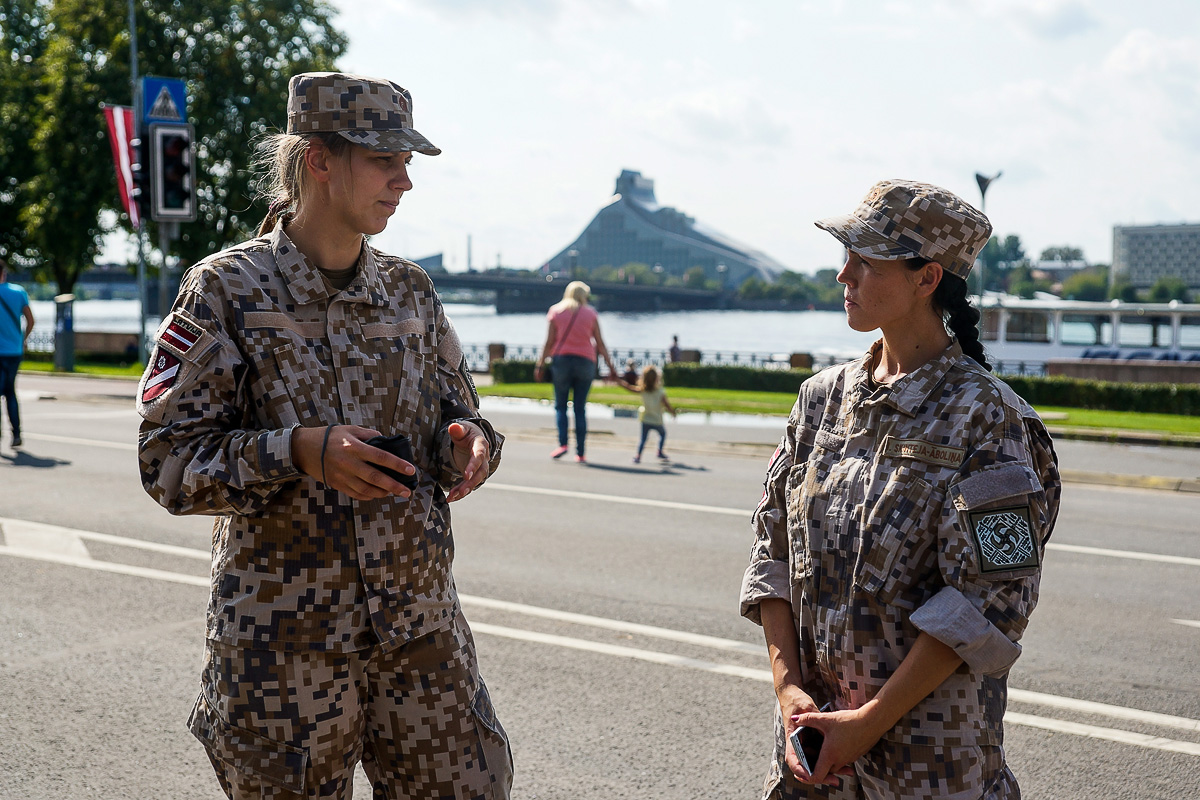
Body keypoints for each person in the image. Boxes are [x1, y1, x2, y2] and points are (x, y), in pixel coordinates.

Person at [135, 72, 513, 800]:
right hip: (285, 652)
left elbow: (459, 415)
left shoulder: (410, 293)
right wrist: (301, 451)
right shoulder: (226, 290)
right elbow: (168, 462)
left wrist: (470, 441)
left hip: (420, 635)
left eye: (408, 164)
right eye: (385, 161)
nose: (405, 182)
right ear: (319, 160)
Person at [740, 179, 1061, 799]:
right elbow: (771, 551)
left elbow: (991, 600)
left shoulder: (986, 417)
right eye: (846, 257)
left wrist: (867, 724)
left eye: (865, 261)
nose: (844, 276)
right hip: (814, 754)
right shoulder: (820, 401)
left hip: (929, 764)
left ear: (926, 278)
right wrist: (789, 692)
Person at [533, 280, 617, 463]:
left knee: (561, 406)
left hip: (561, 362)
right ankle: (581, 452)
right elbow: (600, 343)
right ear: (584, 295)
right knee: (580, 408)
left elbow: (549, 342)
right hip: (586, 362)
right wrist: (611, 367)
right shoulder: (591, 313)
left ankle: (563, 444)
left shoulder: (556, 311)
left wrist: (540, 365)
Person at [0, 257, 34, 449]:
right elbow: (30, 320)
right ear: (3, 272)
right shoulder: (18, 292)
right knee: (10, 391)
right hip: (14, 351)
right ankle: (16, 433)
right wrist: (23, 339)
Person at [617, 364, 675, 463]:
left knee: (643, 439)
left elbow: (630, 388)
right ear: (657, 378)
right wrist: (672, 412)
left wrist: (620, 382)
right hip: (657, 419)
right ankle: (659, 451)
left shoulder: (643, 390)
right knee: (662, 434)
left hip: (645, 418)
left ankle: (638, 456)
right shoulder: (660, 391)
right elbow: (666, 404)